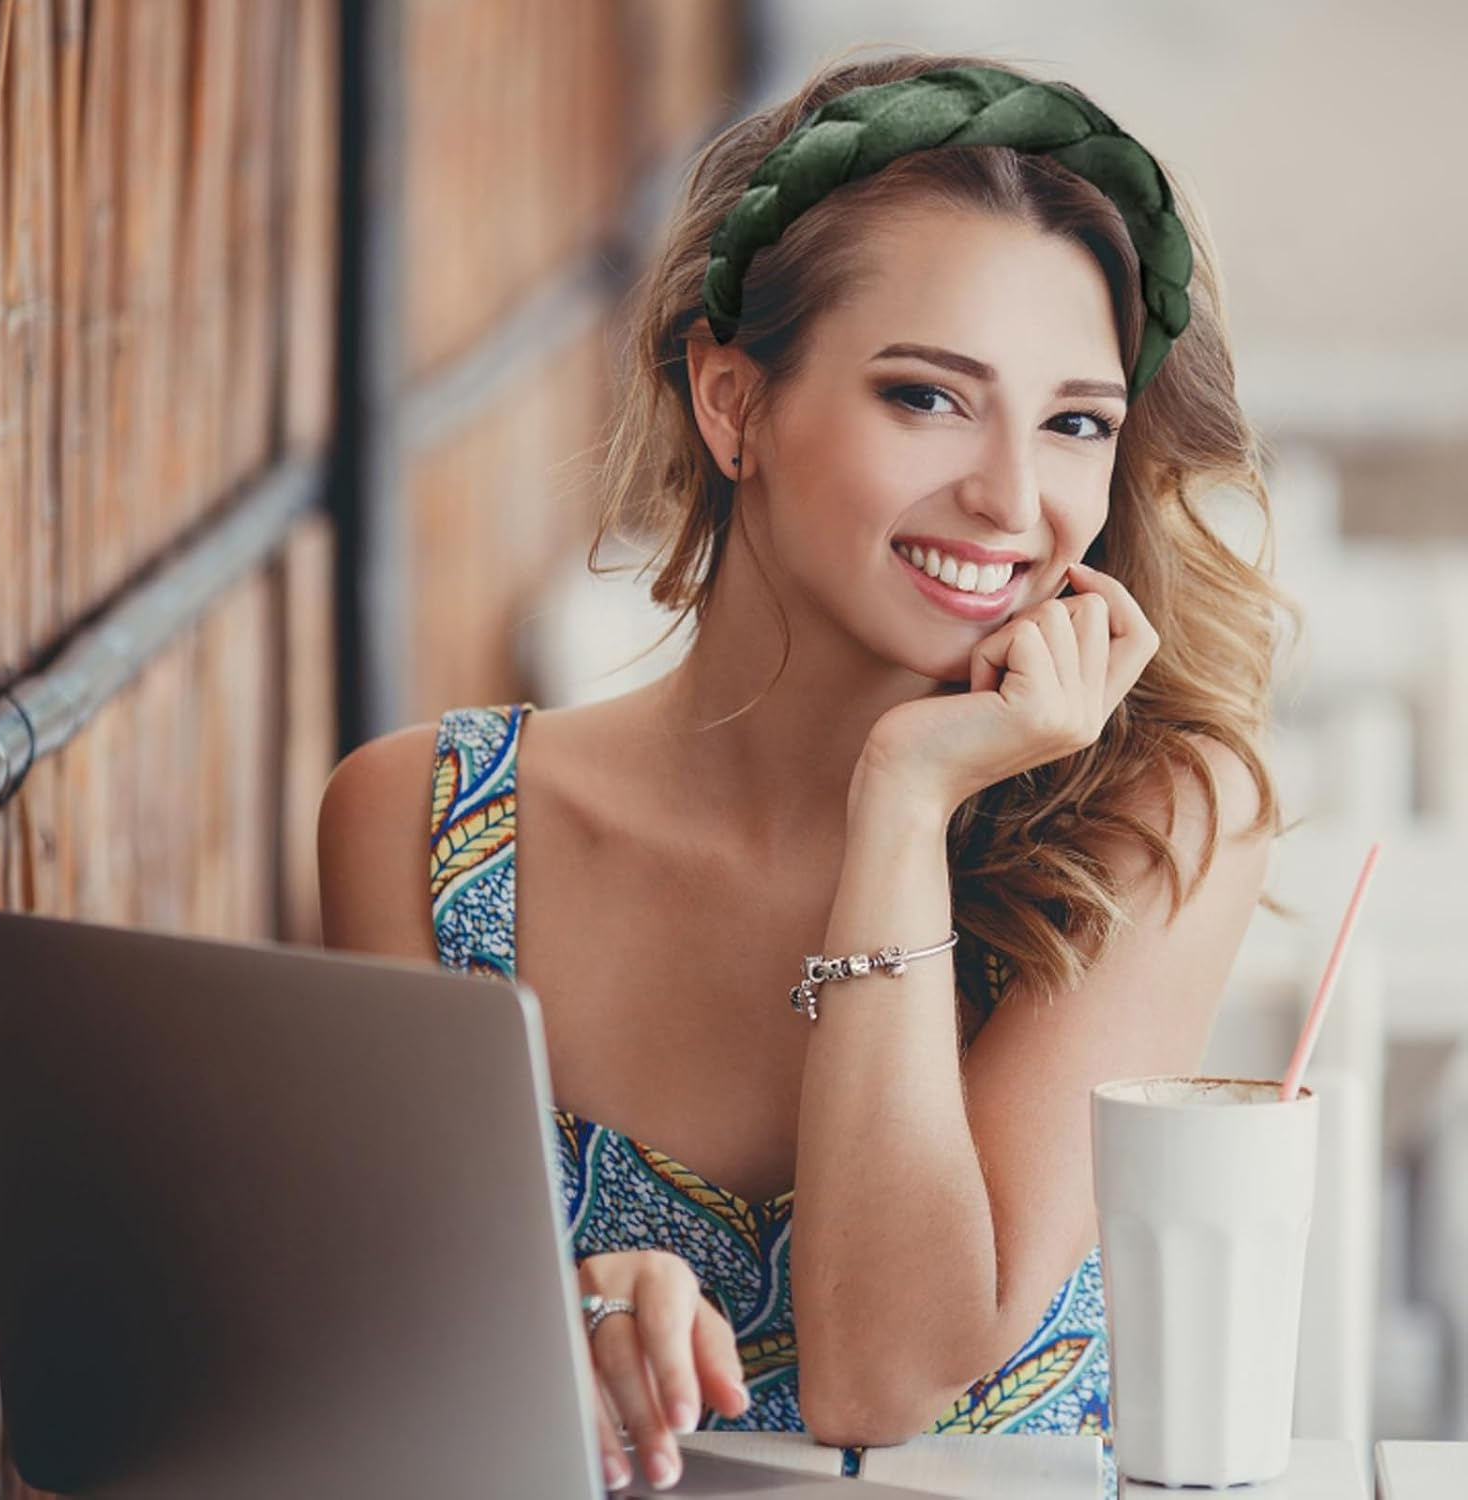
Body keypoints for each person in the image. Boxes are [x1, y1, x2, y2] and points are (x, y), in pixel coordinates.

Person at [317, 45, 1296, 1497]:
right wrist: (570, 1312)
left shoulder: (1157, 823)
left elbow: (883, 1379)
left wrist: (901, 804)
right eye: (928, 397)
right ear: (733, 403)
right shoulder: (424, 826)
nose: (1012, 499)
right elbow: (391, 1380)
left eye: (1076, 422)